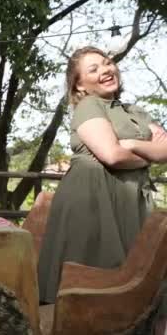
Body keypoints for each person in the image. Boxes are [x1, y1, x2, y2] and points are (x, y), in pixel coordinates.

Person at [37, 46, 167, 331]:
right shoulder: (89, 106)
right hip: (93, 201)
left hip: (132, 200)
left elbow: (165, 149)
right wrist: (148, 151)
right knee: (94, 287)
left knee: (143, 287)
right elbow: (111, 156)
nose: (106, 69)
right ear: (80, 85)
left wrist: (131, 144)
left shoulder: (135, 111)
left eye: (107, 63)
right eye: (93, 69)